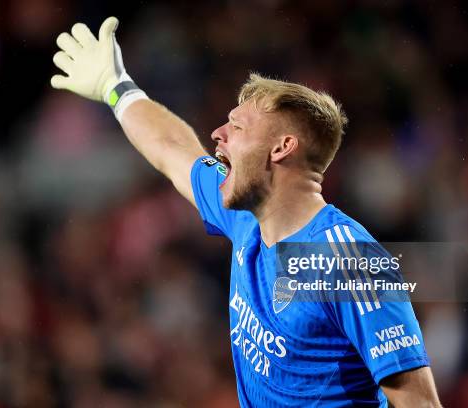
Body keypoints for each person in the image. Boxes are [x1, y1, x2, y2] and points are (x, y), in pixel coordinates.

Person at [50, 16, 441, 407]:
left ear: (281, 148)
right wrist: (115, 86)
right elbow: (171, 148)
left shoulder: (348, 262)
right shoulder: (245, 217)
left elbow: (419, 403)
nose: (217, 134)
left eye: (237, 127)